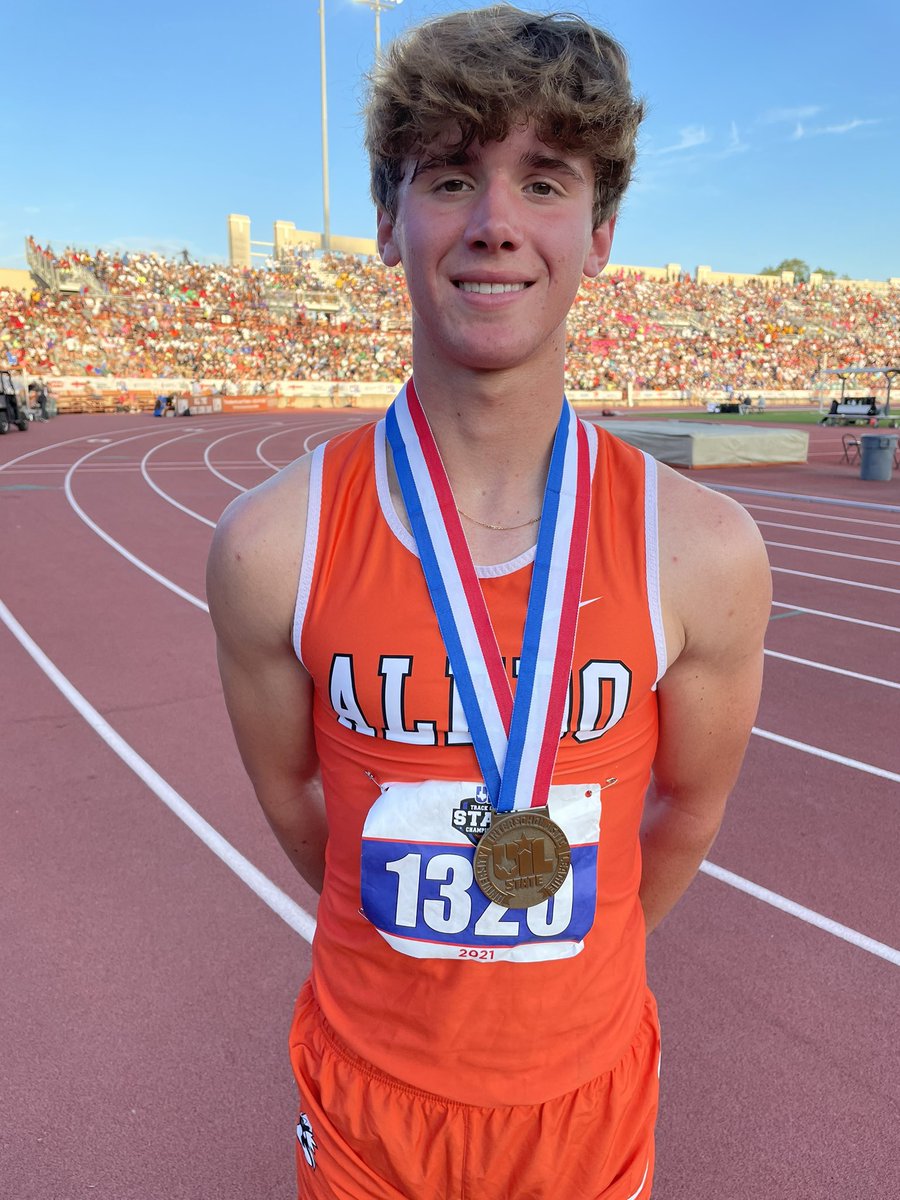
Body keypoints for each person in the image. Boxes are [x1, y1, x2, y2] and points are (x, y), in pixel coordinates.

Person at [206, 7, 771, 1198]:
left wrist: (561, 961)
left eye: (545, 180)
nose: (496, 224)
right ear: (387, 221)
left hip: (589, 1093)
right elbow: (298, 803)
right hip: (369, 1091)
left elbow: (687, 814)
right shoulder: (272, 548)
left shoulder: (704, 551)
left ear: (603, 230)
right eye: (453, 175)